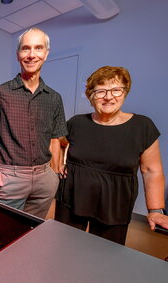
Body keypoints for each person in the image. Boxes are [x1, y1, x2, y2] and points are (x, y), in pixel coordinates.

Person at [55, 65, 168, 245]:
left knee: (104, 256)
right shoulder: (77, 123)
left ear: (125, 92)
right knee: (64, 246)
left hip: (115, 204)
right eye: (100, 91)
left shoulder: (143, 126)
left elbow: (151, 171)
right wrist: (58, 163)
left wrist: (155, 209)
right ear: (91, 96)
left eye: (116, 90)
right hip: (72, 197)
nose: (108, 97)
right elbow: (58, 142)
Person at [0, 27, 67, 219]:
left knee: (33, 230)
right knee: (4, 230)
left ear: (46, 54)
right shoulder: (0, 93)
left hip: (45, 178)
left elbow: (55, 139)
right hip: (11, 177)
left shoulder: (54, 98)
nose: (32, 54)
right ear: (18, 54)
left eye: (38, 48)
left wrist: (54, 175)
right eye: (26, 48)